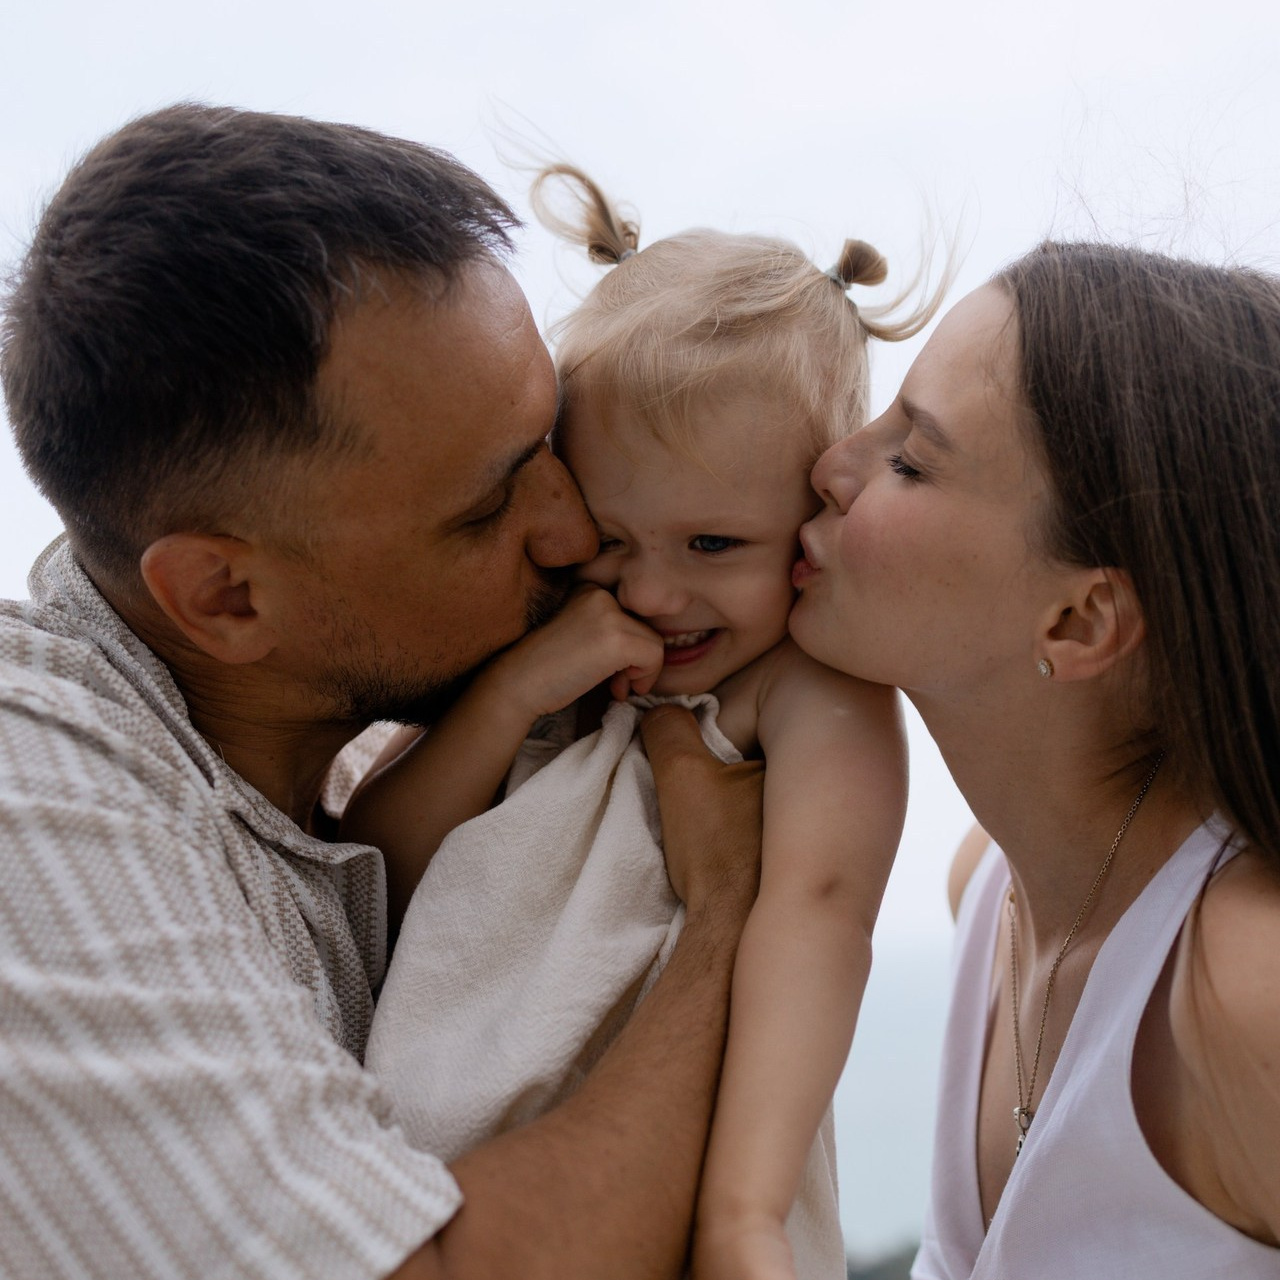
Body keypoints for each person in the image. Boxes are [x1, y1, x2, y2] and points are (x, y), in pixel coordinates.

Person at [0, 105, 768, 1280]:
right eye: (484, 507)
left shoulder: (374, 752)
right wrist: (725, 925)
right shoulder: (31, 797)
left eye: (549, 436)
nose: (573, 530)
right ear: (225, 596)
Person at [343, 166, 943, 1280]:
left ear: (811, 522)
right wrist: (516, 692)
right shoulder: (537, 663)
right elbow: (377, 862)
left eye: (712, 545)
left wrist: (744, 1216)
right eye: (616, 537)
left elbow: (820, 917)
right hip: (434, 1192)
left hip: (679, 1188)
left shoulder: (802, 693)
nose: (656, 593)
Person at [788, 241, 1280, 1277]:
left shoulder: (1240, 981)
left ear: (1079, 617)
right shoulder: (990, 885)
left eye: (909, 461)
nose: (832, 465)